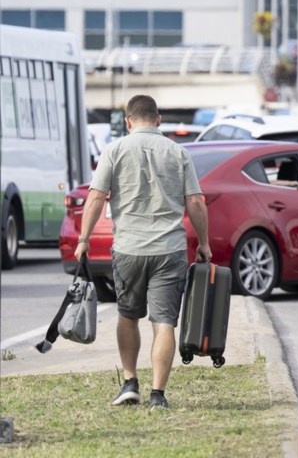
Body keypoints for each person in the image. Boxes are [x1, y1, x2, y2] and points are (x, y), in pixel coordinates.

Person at [74, 94, 211, 410]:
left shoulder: (115, 150)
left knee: (127, 314)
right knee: (164, 322)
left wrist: (84, 239)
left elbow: (95, 198)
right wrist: (203, 243)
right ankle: (158, 395)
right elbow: (195, 202)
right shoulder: (178, 152)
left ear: (128, 121)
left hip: (129, 249)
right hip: (169, 249)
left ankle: (130, 381)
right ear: (158, 119)